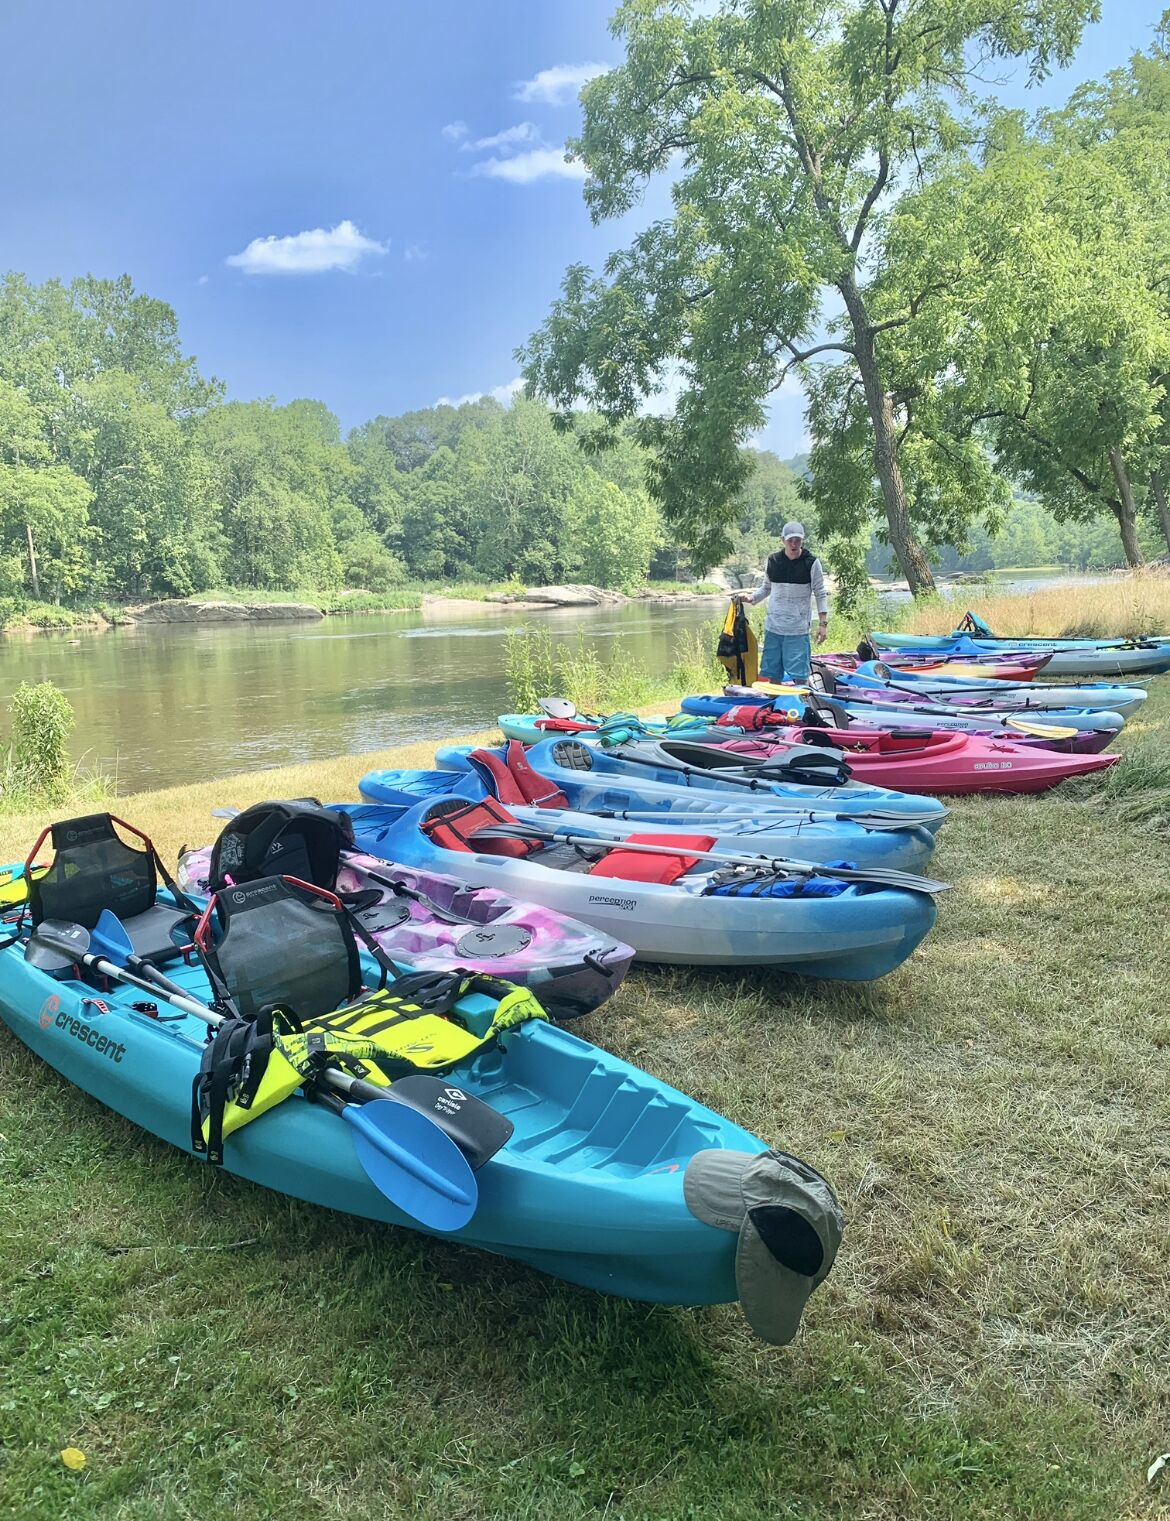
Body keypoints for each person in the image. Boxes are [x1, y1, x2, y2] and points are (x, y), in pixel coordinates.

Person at [733, 522, 828, 685]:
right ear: (783, 540)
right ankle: (774, 706)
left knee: (800, 675)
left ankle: (802, 705)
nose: (794, 544)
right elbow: (766, 588)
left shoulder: (811, 563)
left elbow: (820, 593)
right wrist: (750, 598)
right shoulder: (773, 561)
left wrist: (823, 624)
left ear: (802, 540)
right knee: (773, 675)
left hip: (798, 629)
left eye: (798, 540)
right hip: (774, 627)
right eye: (790, 540)